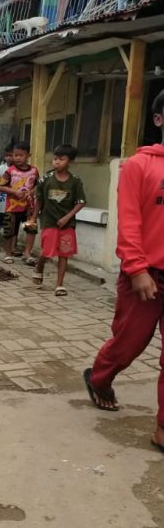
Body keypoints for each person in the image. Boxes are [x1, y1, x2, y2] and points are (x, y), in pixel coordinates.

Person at [85, 89, 164, 455]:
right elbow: (128, 222)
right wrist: (136, 269)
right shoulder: (139, 166)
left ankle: (162, 427)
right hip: (146, 275)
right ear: (158, 119)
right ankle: (99, 378)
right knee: (129, 344)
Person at [32, 144, 86, 296]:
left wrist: (67, 217)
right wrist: (33, 218)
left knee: (64, 254)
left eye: (61, 159)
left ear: (70, 161)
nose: (57, 162)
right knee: (47, 253)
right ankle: (39, 267)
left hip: (67, 224)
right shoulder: (45, 180)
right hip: (49, 222)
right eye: (55, 158)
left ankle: (59, 285)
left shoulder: (76, 181)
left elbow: (81, 202)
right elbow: (39, 200)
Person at [0, 140, 39, 264]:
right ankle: (8, 254)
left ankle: (27, 253)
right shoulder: (10, 171)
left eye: (21, 155)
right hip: (12, 207)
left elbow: (39, 185)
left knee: (31, 229)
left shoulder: (34, 171)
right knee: (9, 231)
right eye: (15, 155)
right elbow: (0, 187)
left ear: (28, 156)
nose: (17, 158)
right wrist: (14, 192)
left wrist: (31, 192)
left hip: (29, 207)